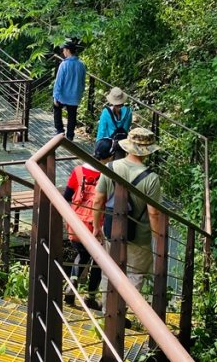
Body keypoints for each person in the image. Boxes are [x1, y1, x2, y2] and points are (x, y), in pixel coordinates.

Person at [92, 127, 163, 297]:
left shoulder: (110, 167)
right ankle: (125, 308)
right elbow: (153, 214)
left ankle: (107, 309)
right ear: (147, 151)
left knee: (109, 271)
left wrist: (96, 227)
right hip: (139, 238)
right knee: (135, 275)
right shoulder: (151, 178)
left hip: (112, 230)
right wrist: (158, 238)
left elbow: (98, 200)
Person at [61, 138, 114, 310]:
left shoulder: (78, 171)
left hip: (76, 223)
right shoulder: (108, 176)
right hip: (96, 225)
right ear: (110, 156)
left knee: (82, 254)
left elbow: (66, 196)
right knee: (98, 260)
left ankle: (73, 281)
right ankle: (90, 297)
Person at [52, 40, 86, 140]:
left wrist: (56, 96)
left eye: (64, 50)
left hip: (63, 95)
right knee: (72, 115)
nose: (63, 52)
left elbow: (59, 81)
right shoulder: (81, 65)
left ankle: (60, 131)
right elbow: (83, 81)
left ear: (67, 50)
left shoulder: (64, 64)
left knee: (56, 108)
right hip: (75, 95)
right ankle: (70, 135)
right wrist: (80, 93)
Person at [96, 87, 132, 158]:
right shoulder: (128, 112)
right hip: (121, 144)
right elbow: (126, 129)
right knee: (119, 163)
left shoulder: (106, 112)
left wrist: (98, 146)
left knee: (105, 163)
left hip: (107, 145)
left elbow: (101, 131)